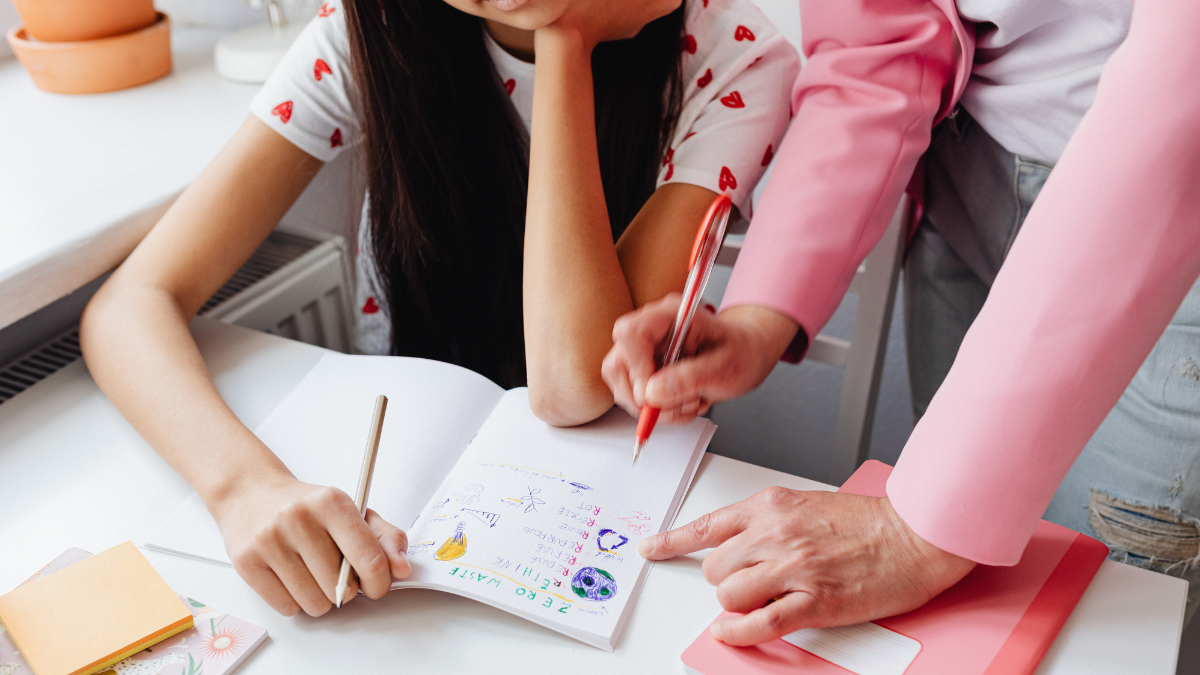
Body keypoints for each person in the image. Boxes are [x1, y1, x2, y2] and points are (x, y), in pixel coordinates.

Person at [79, 0, 798, 617]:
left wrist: (566, 40)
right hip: (400, 503)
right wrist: (243, 488)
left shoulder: (731, 54)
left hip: (605, 514)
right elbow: (129, 305)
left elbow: (572, 382)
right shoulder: (376, 29)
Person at [604, 0, 1200, 645]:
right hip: (968, 178)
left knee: (1109, 620)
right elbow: (878, 44)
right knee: (975, 611)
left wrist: (916, 530)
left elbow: (1183, 91)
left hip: (1174, 215)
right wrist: (758, 316)